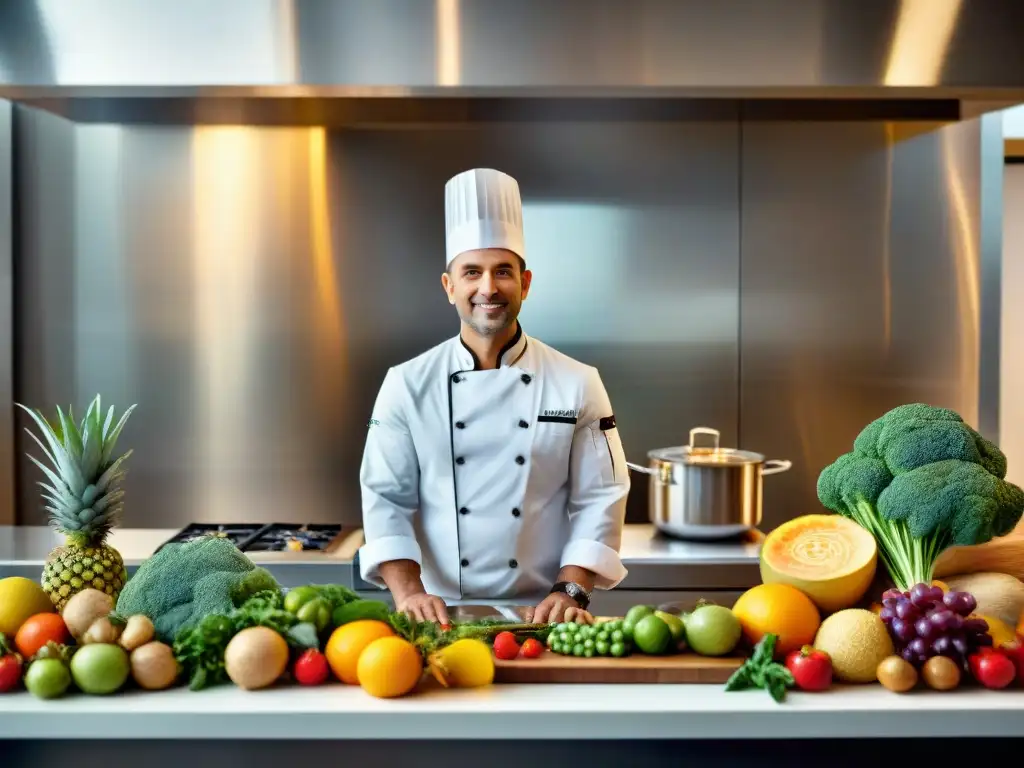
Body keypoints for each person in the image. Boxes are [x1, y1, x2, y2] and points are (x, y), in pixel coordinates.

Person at [357, 167, 630, 626]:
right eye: (472, 272)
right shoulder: (406, 384)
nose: (488, 288)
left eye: (502, 271)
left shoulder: (578, 382)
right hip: (438, 618)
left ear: (524, 283)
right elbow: (386, 499)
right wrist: (409, 595)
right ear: (450, 288)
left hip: (544, 616)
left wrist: (571, 589)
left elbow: (601, 496)